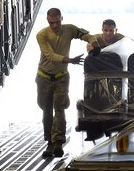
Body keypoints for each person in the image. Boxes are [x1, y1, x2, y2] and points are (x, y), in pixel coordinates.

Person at [37, 8, 99, 158]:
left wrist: (94, 43)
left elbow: (86, 35)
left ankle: (58, 142)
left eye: (57, 22)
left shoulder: (69, 29)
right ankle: (49, 141)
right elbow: (50, 55)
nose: (54, 25)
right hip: (44, 77)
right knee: (46, 110)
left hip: (61, 77)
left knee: (59, 109)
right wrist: (70, 60)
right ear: (47, 21)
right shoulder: (42, 35)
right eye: (51, 22)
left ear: (62, 19)